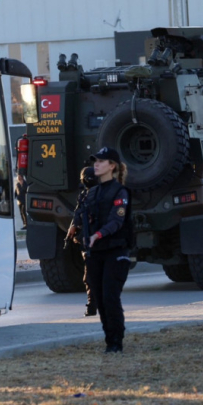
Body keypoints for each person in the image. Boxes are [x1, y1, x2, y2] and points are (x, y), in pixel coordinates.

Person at [73, 147, 132, 353]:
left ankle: (116, 341)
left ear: (112, 166)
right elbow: (82, 218)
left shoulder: (120, 192)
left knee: (110, 297)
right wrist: (79, 220)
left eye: (101, 161)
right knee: (99, 297)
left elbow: (117, 221)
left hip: (115, 251)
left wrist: (96, 235)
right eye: (95, 161)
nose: (96, 164)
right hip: (95, 252)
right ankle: (109, 340)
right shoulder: (92, 192)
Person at [66, 166, 99, 317]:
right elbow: (78, 215)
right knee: (92, 276)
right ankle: (93, 305)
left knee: (93, 277)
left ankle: (95, 305)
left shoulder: (96, 195)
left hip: (98, 241)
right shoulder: (86, 195)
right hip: (92, 241)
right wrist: (73, 228)